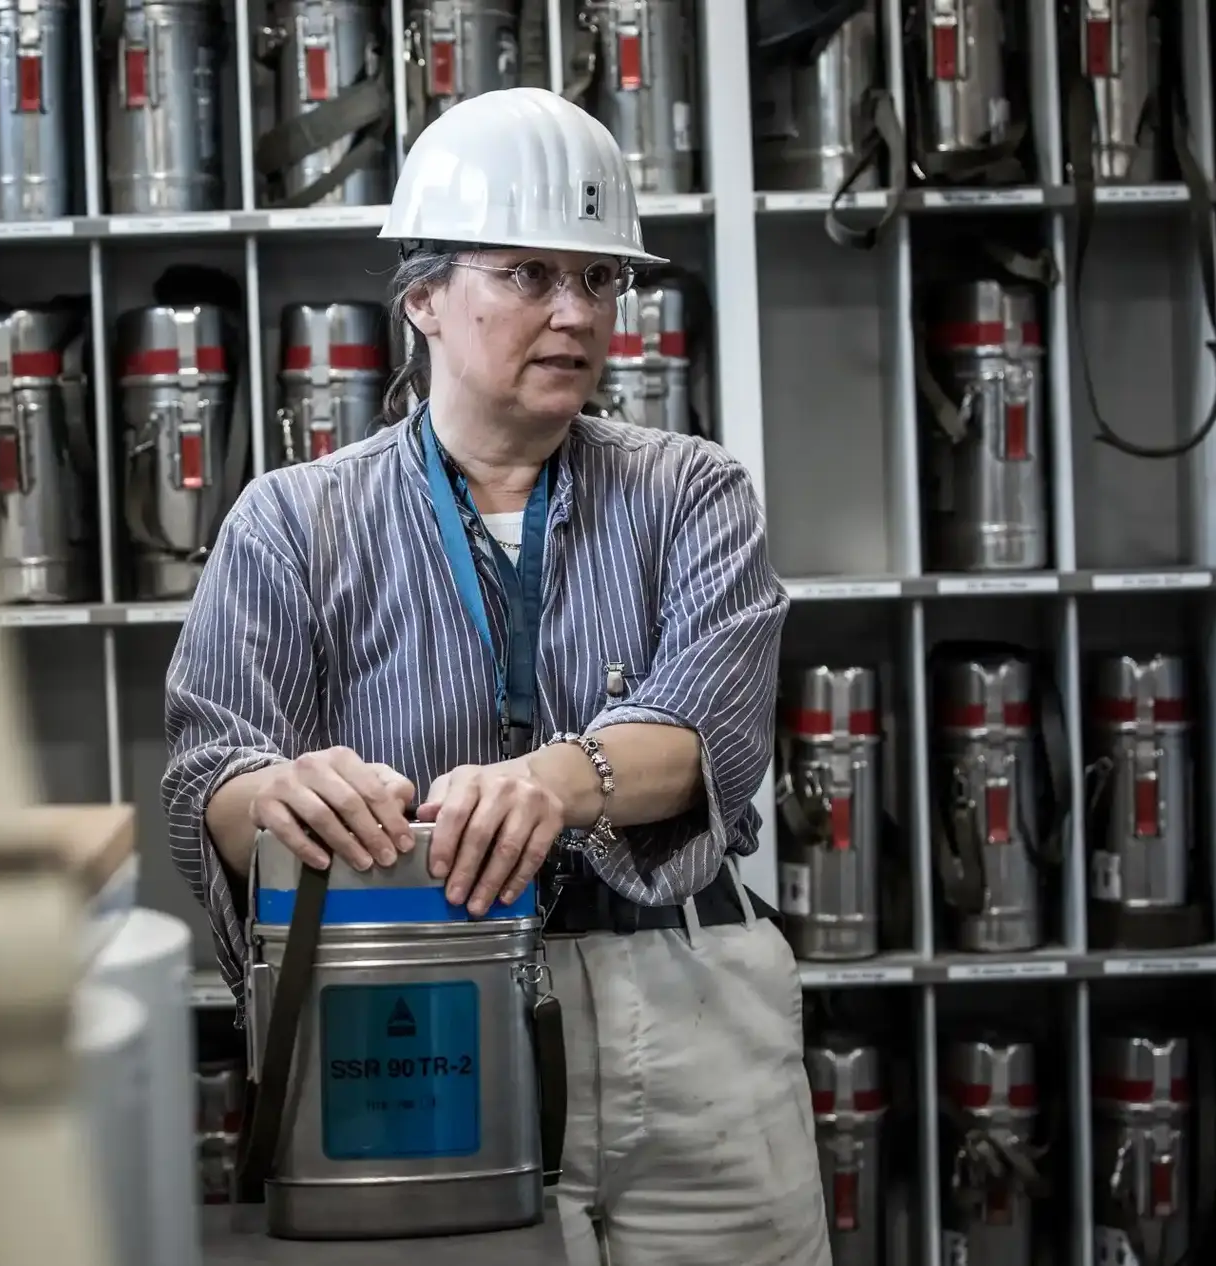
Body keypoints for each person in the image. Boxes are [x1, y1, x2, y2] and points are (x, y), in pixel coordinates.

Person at [162, 87, 830, 1266]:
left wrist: (554, 779)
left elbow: (705, 737)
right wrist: (276, 799)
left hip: (685, 1005)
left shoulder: (693, 492)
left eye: (600, 279)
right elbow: (210, 765)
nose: (574, 312)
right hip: (418, 1010)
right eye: (527, 273)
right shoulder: (293, 521)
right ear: (421, 295)